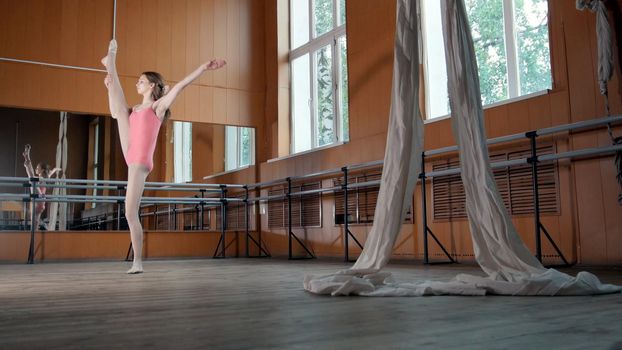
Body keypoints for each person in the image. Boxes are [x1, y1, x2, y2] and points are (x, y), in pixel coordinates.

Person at [101, 39, 226, 274]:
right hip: (130, 152)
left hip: (139, 161)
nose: (137, 83)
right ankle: (110, 65)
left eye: (141, 81)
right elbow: (113, 110)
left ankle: (138, 261)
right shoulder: (135, 110)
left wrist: (202, 68)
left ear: (151, 86)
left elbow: (180, 87)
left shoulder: (156, 108)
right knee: (118, 111)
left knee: (130, 212)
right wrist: (109, 86)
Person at [22, 144, 61, 230]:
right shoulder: (46, 177)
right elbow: (51, 172)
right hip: (41, 203)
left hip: (38, 200)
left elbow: (35, 175)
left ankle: (27, 157)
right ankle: (26, 158)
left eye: (37, 168)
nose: (36, 169)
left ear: (42, 170)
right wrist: (56, 169)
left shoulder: (41, 178)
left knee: (31, 177)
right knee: (35, 223)